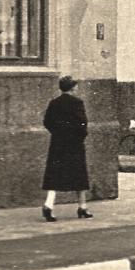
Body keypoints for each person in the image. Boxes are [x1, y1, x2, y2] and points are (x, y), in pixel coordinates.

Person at [42, 76, 93, 222]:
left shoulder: (54, 103)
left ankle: (49, 204)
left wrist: (57, 133)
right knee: (79, 175)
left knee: (54, 174)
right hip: (74, 144)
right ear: (72, 88)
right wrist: (80, 136)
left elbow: (47, 122)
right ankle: (82, 207)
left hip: (57, 143)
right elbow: (82, 123)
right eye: (76, 86)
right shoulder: (77, 103)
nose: (77, 89)